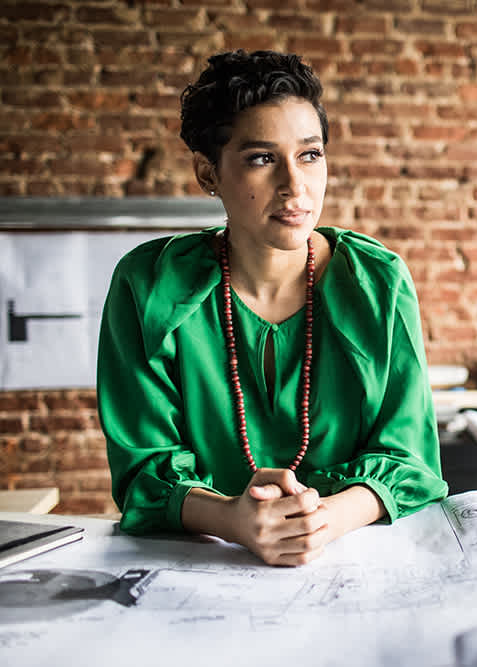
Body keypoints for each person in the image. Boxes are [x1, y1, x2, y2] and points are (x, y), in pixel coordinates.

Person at [97, 50, 448, 566]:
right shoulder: (148, 286)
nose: (295, 185)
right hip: (201, 570)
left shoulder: (379, 283)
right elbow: (143, 472)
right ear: (207, 172)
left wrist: (323, 521)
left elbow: (411, 460)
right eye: (262, 158)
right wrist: (232, 520)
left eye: (310, 155)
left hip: (360, 567)